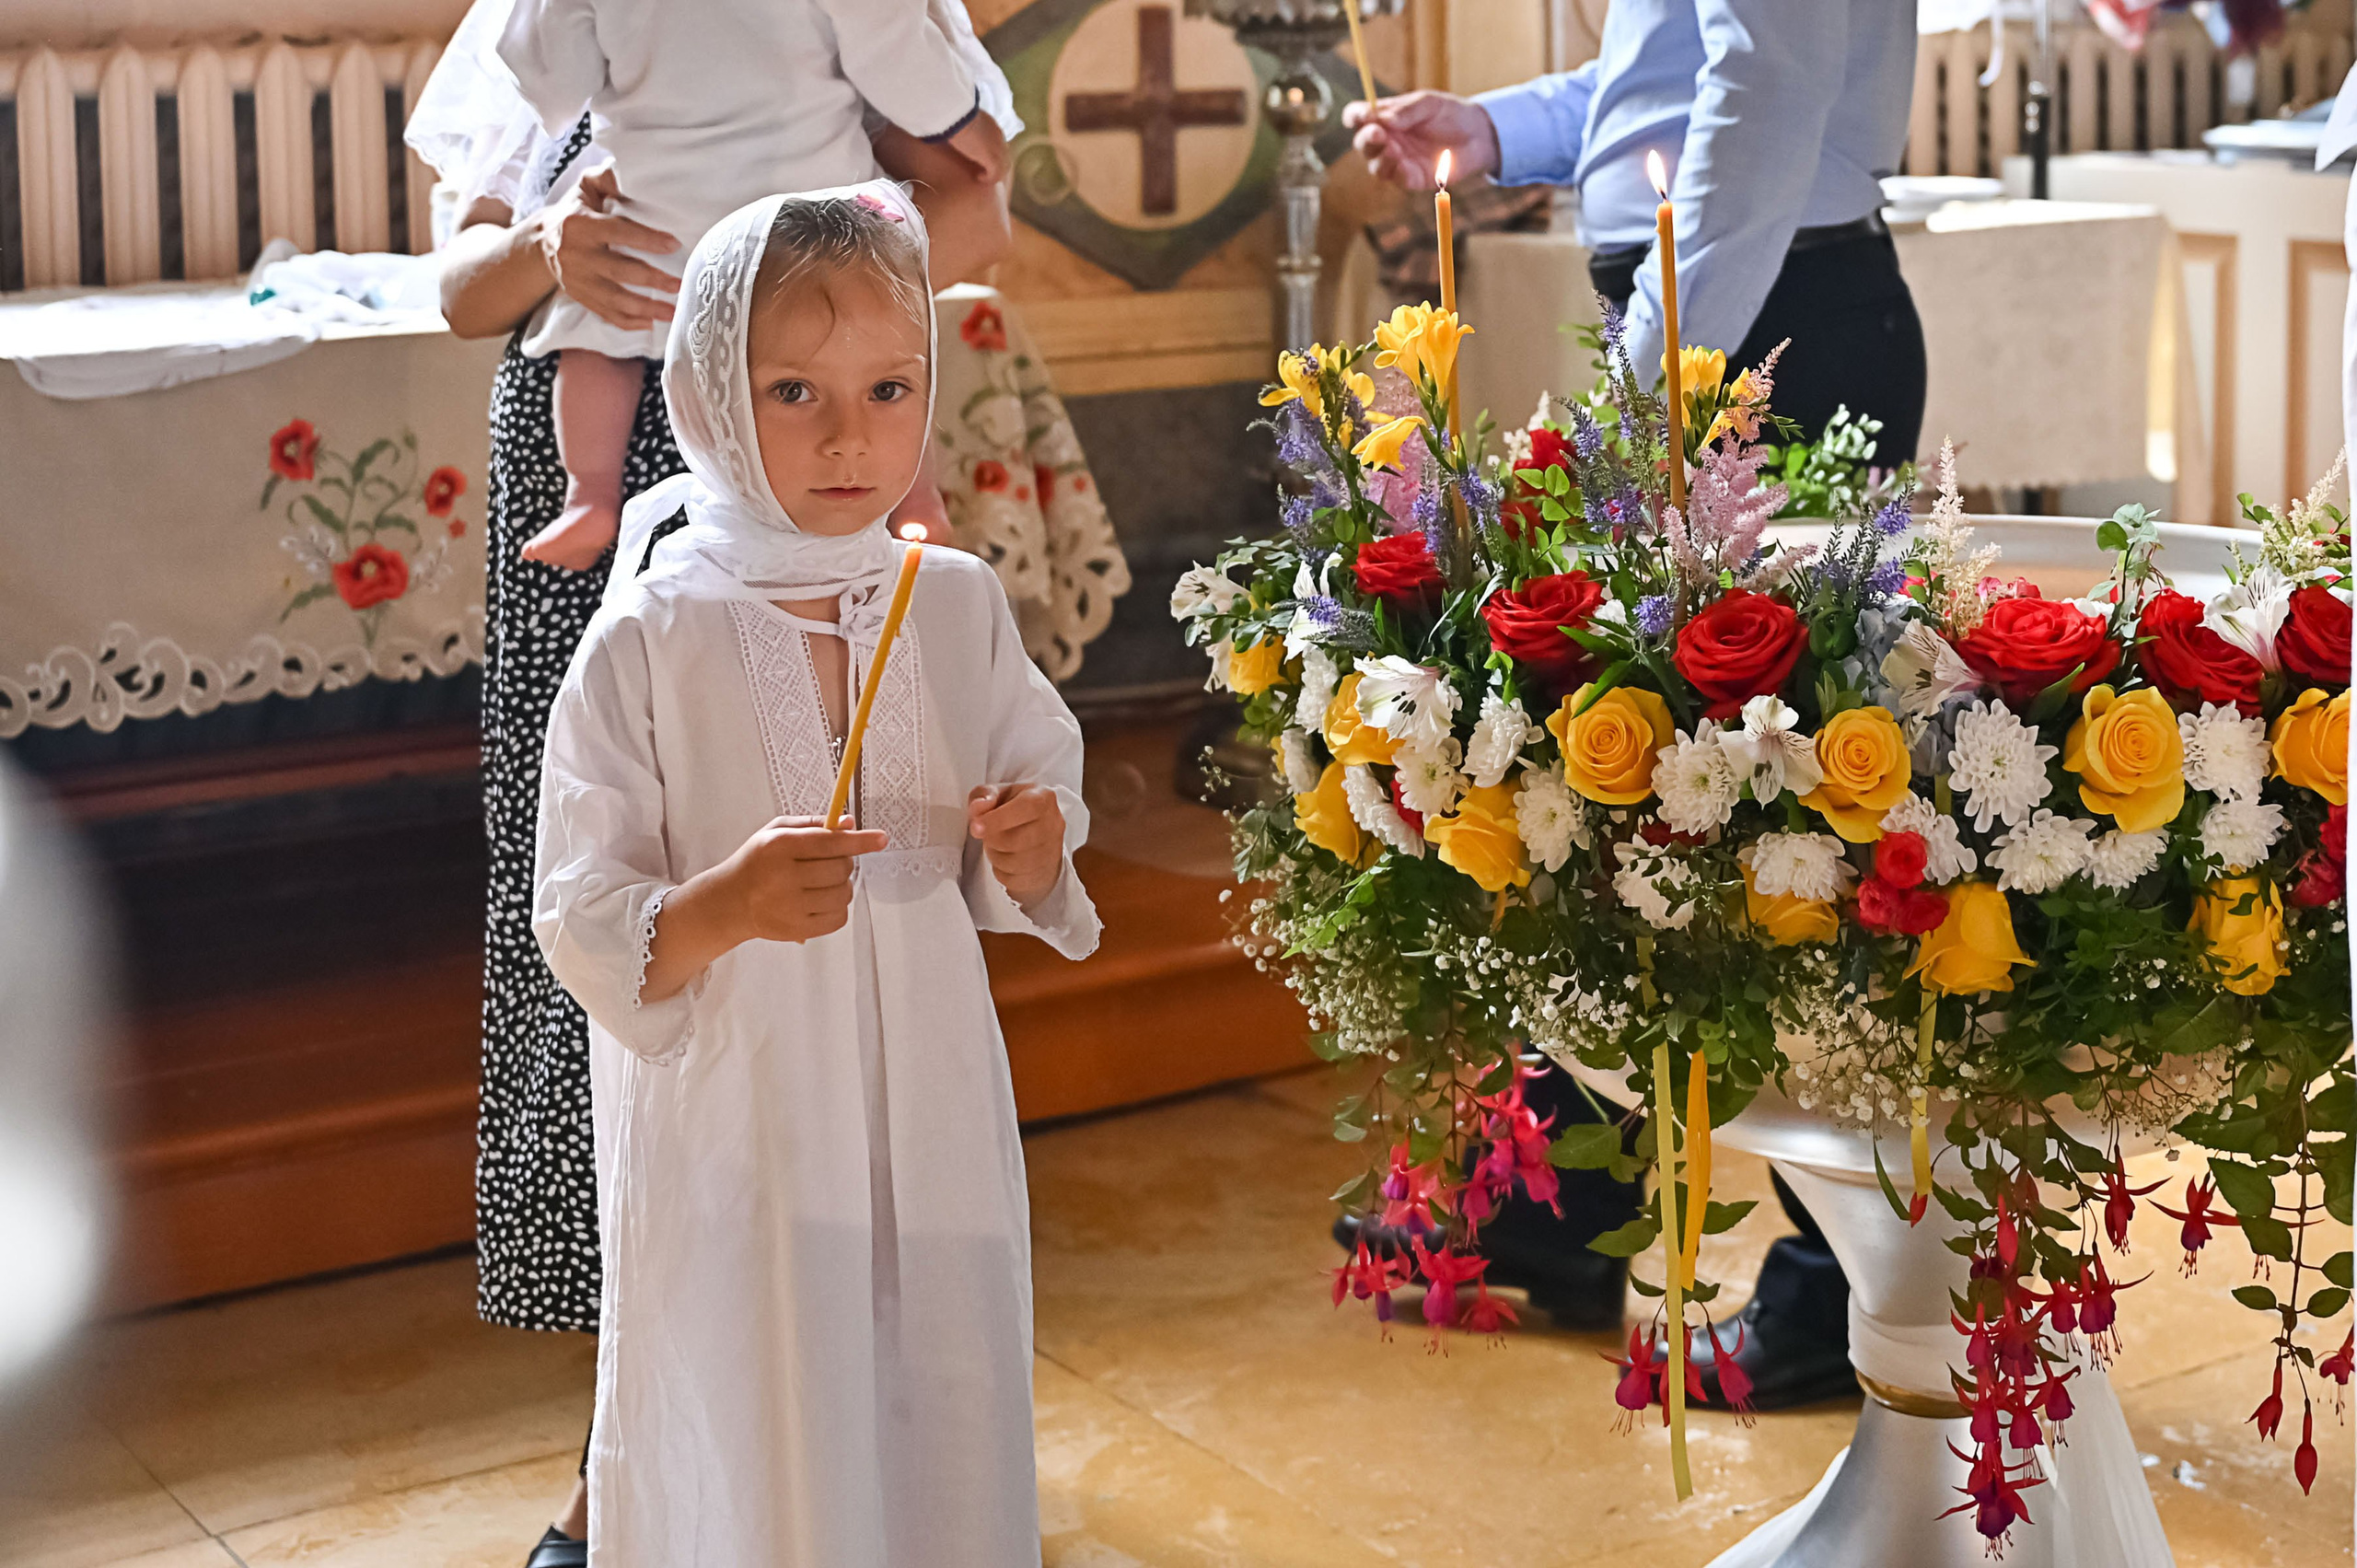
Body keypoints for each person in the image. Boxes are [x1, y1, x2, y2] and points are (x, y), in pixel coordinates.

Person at [403, 11, 1018, 1562]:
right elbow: (453, 274)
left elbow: (975, 190)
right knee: (620, 936)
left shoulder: (845, 29)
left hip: (820, 452)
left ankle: (823, 1437)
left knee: (826, 972)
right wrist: (551, 242)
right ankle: (649, 1460)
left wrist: (813, 290)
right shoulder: (547, 28)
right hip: (600, 496)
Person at [1339, 0, 1927, 1410]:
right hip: (1723, 316)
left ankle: (1837, 1286)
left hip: (1762, 336)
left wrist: (1655, 378)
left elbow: (1763, 81)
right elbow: (1663, 70)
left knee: (1804, 817)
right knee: (1606, 780)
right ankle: (1552, 1205)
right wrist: (1500, 130)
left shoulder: (1704, 338)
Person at [535, 181, 1096, 1565]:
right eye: (794, 390)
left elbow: (1034, 767)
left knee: (936, 1364)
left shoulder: (952, 597)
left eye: (888, 386)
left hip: (932, 1093)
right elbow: (579, 904)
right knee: (762, 1381)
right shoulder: (649, 637)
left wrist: (1034, 834)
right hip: (747, 1101)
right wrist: (719, 904)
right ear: (712, 394)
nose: (852, 437)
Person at [494, 0, 1009, 570]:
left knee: (604, 329)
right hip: (805, 216)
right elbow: (888, 43)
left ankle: (589, 497)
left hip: (666, 206)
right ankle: (918, 502)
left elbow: (542, 66)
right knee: (870, 363)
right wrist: (962, 120)